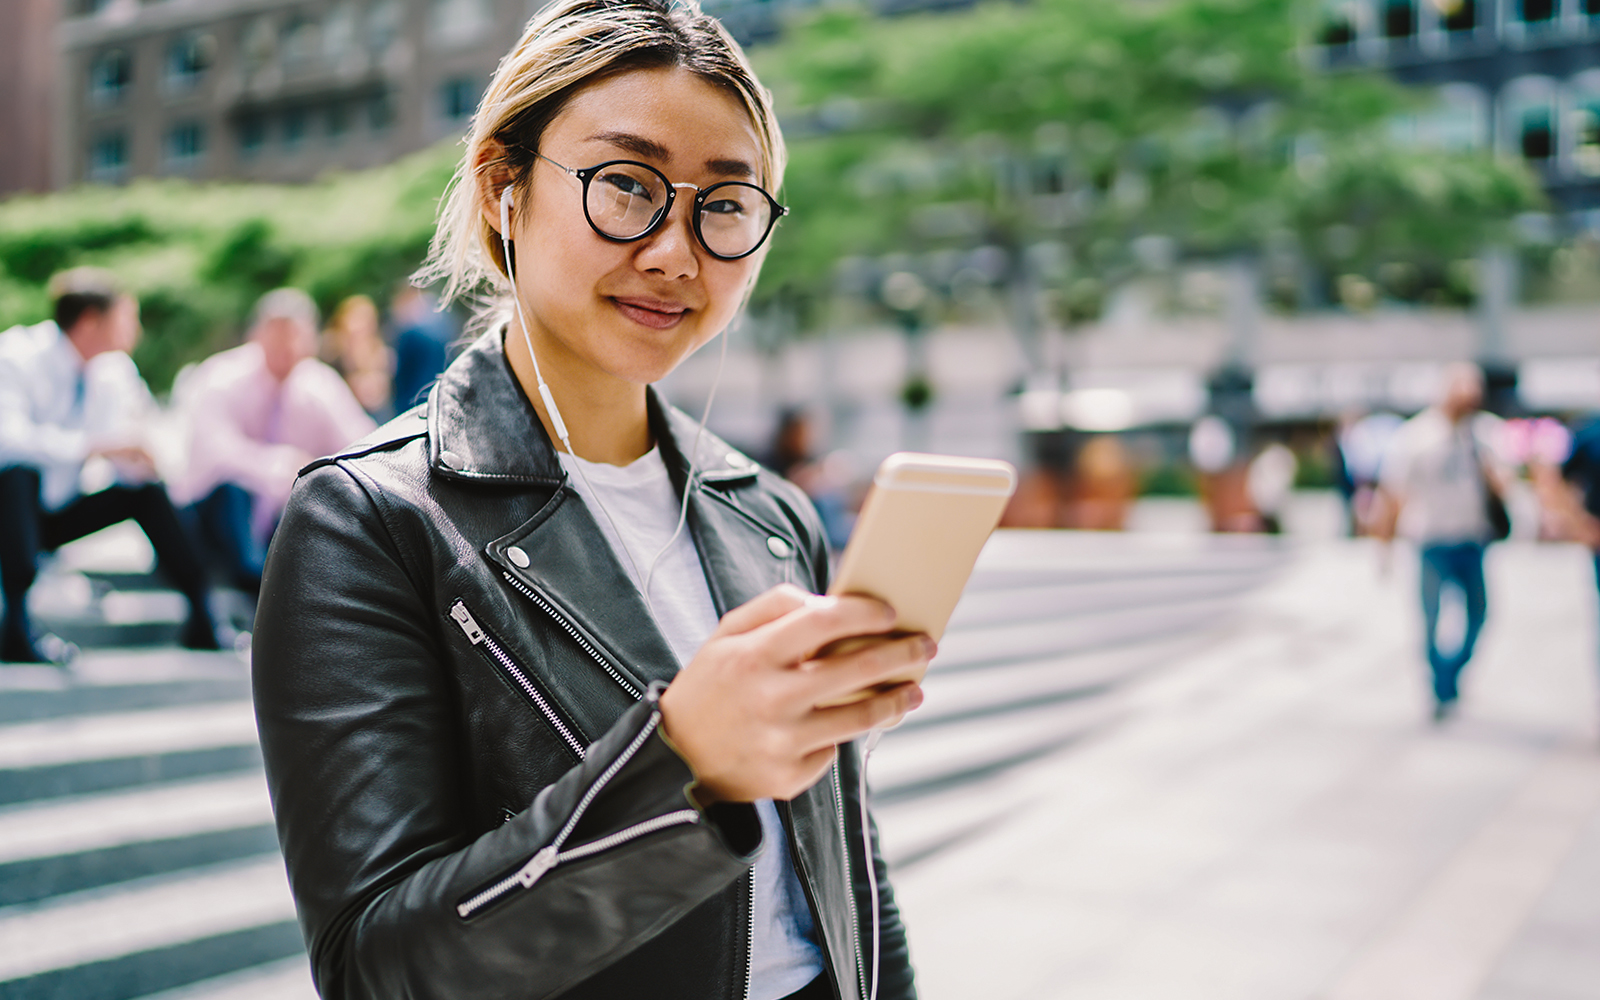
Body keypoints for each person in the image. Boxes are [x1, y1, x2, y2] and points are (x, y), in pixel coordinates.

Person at [250, 3, 925, 999]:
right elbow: (375, 966)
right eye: (626, 186)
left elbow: (854, 877)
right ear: (501, 187)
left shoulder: (769, 513)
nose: (675, 252)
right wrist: (680, 764)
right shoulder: (370, 521)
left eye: (726, 204)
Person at [0, 268, 219, 662]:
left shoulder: (115, 371)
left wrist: (141, 459)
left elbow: (127, 449)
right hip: (10, 509)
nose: (134, 330)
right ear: (90, 322)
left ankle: (203, 613)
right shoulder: (16, 355)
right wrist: (95, 446)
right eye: (126, 318)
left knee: (147, 492)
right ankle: (16, 626)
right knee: (19, 473)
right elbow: (8, 442)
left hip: (55, 510)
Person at [171, 288, 375, 594]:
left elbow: (360, 442)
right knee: (235, 490)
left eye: (295, 335)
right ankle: (255, 584)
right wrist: (279, 465)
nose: (287, 345)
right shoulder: (221, 376)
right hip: (214, 510)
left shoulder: (320, 384)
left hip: (281, 511)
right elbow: (213, 451)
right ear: (257, 335)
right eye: (277, 334)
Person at [1374, 363, 1507, 721]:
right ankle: (1438, 686)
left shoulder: (1484, 433)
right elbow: (1393, 494)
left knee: (1479, 615)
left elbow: (1505, 485)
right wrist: (1383, 545)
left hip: (1472, 538)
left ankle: (1451, 675)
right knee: (1430, 619)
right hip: (1431, 539)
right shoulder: (1417, 436)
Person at [321, 294, 394, 419]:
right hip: (345, 415)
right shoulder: (333, 353)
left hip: (375, 415)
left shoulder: (380, 351)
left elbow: (381, 392)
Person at [388, 284, 458, 413]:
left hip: (414, 399)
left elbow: (401, 374)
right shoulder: (443, 322)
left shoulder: (410, 332)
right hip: (442, 393)